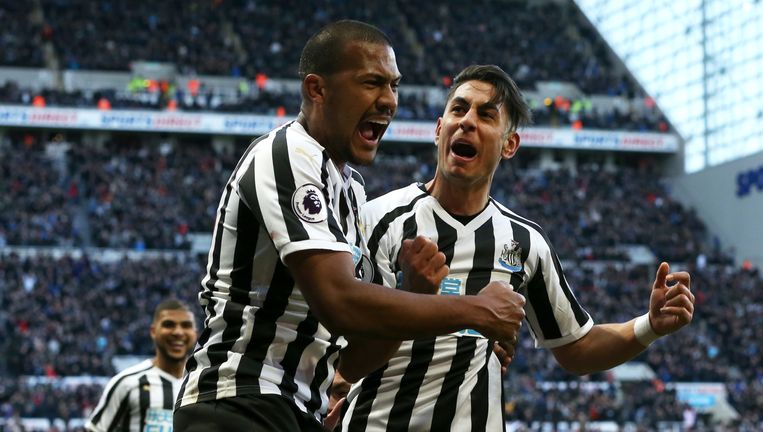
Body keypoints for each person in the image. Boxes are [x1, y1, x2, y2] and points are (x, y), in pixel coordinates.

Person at [174, 21, 526, 432]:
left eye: (393, 86)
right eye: (371, 83)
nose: (388, 101)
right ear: (317, 89)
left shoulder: (351, 191)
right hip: (237, 400)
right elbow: (338, 301)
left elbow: (356, 356)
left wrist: (413, 296)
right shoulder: (287, 153)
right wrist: (475, 311)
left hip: (298, 409)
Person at [333, 65, 696, 431]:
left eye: (486, 115)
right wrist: (414, 297)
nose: (467, 122)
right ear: (439, 129)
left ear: (509, 145)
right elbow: (344, 356)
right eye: (458, 110)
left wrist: (649, 326)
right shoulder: (379, 220)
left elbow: (576, 347)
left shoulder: (525, 242)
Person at [86, 299, 197, 432]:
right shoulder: (127, 384)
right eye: (169, 325)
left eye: (186, 325)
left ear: (195, 333)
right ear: (153, 331)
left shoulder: (206, 386)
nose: (178, 332)